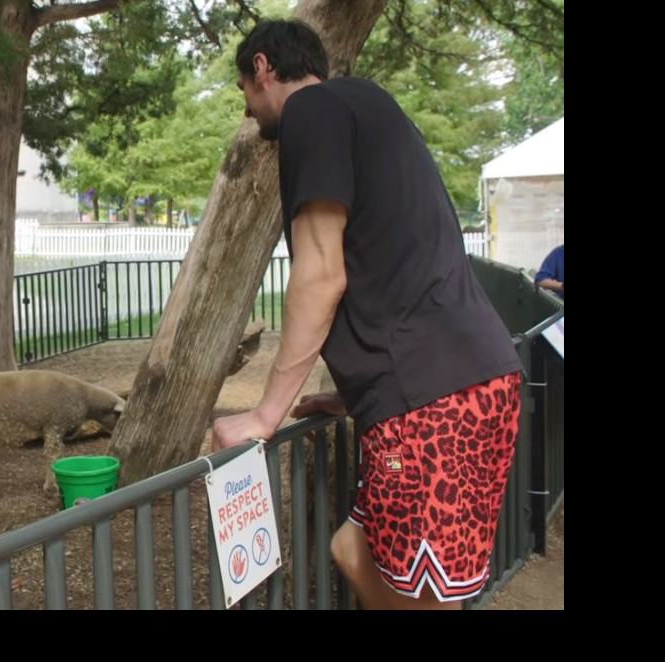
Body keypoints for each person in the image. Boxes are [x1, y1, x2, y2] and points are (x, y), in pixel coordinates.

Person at [211, 19, 523, 610]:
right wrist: (355, 393)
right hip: (466, 382)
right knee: (353, 549)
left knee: (424, 598)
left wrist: (265, 414)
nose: (249, 113)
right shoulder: (370, 103)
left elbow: (322, 272)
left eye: (244, 92)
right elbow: (398, 254)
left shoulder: (309, 113)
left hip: (431, 403)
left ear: (262, 67)